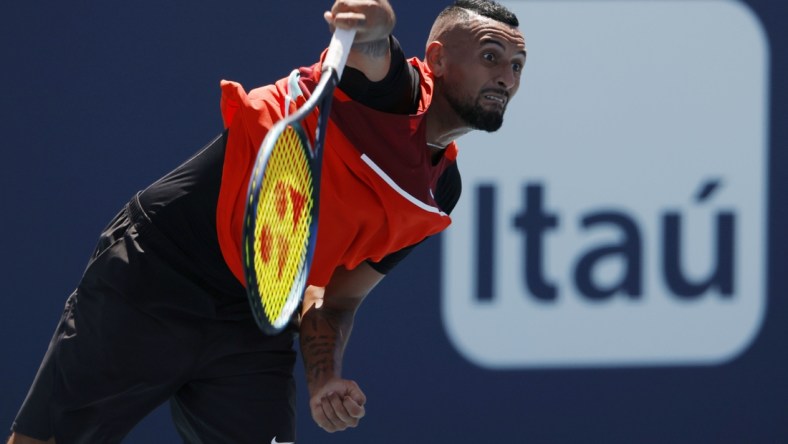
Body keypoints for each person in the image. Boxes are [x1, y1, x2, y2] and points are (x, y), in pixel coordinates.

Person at [8, 0, 526, 442]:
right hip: (157, 274)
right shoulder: (393, 90)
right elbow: (374, 50)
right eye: (490, 56)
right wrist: (376, 23)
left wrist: (324, 378)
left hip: (258, 314)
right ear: (436, 57)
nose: (506, 75)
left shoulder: (441, 192)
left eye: (518, 65)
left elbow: (340, 298)